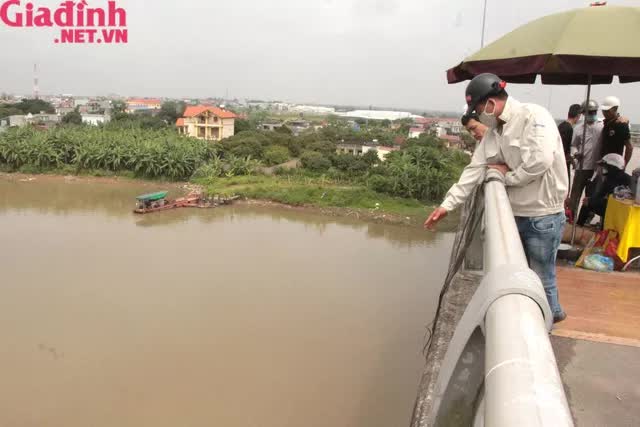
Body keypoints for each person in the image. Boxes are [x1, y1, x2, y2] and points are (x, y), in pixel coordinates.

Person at [424, 73, 569, 323]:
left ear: (490, 103)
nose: (479, 115)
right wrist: (446, 206)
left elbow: (540, 161)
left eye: (479, 109)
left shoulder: (532, 116)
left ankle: (548, 323)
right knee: (521, 276)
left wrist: (507, 177)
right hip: (515, 214)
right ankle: (539, 317)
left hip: (542, 216)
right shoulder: (495, 132)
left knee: (542, 277)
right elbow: (475, 169)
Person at [577, 153, 631, 227]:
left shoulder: (626, 180)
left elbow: (616, 200)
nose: (602, 168)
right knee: (587, 202)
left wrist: (592, 201)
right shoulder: (609, 178)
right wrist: (590, 200)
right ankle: (578, 226)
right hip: (611, 207)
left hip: (620, 211)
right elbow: (600, 195)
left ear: (612, 167)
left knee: (591, 202)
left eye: (605, 166)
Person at [568, 100, 603, 215]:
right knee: (575, 194)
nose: (592, 114)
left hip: (597, 168)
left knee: (592, 196)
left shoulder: (602, 126)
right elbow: (573, 145)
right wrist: (576, 153)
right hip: (582, 167)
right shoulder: (578, 129)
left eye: (594, 112)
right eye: (589, 112)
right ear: (583, 113)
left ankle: (585, 220)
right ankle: (571, 217)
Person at [600, 96, 634, 168]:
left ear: (615, 109)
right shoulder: (606, 123)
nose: (604, 113)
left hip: (615, 165)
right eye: (603, 110)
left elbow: (629, 147)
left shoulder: (621, 125)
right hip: (603, 163)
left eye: (607, 111)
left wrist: (624, 164)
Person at [558, 103, 583, 184]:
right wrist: (571, 159)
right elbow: (564, 148)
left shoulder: (561, 125)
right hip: (563, 163)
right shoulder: (568, 128)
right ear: (578, 115)